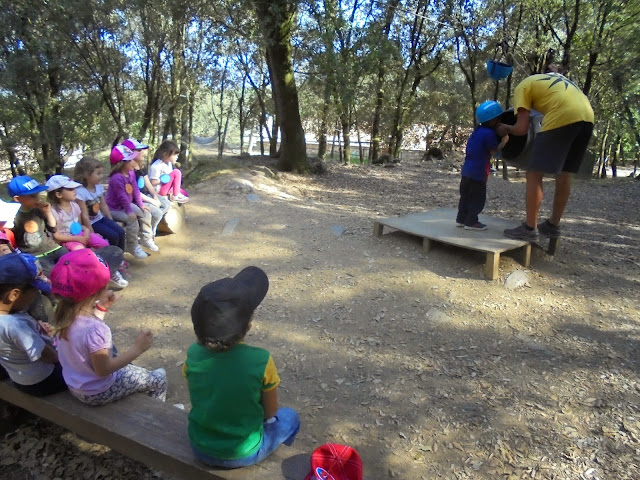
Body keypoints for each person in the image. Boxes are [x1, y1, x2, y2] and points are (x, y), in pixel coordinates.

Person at [184, 266, 300, 468]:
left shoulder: (193, 355)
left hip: (200, 446)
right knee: (290, 417)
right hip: (243, 453)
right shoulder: (261, 360)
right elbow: (270, 412)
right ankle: (272, 457)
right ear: (248, 325)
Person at [50, 249, 167, 406]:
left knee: (129, 367)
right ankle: (159, 412)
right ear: (100, 290)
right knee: (159, 379)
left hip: (77, 384)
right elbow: (103, 370)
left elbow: (84, 335)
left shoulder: (62, 315)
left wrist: (101, 308)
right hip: (97, 391)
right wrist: (138, 349)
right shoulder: (97, 330)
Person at [498, 65, 594, 241]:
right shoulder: (559, 81)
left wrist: (505, 128)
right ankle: (553, 225)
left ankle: (529, 228)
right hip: (588, 117)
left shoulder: (523, 86)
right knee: (564, 174)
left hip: (563, 114)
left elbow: (521, 128)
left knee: (534, 173)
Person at [0, 253, 67, 396]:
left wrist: (37, 330)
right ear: (14, 295)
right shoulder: (14, 325)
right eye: (35, 291)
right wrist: (67, 359)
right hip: (43, 380)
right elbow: (48, 356)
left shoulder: (9, 316)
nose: (37, 295)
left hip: (20, 378)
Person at [45, 174, 128, 289]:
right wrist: (78, 239)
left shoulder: (75, 206)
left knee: (104, 244)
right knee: (83, 253)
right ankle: (93, 278)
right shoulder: (54, 212)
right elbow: (57, 235)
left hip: (81, 234)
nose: (74, 191)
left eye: (74, 188)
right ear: (58, 194)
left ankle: (110, 270)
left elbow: (80, 225)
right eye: (70, 189)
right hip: (68, 239)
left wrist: (88, 232)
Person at [456, 101, 509, 231]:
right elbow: (494, 153)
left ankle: (461, 219)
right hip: (478, 172)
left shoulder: (477, 131)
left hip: (466, 171)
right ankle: (471, 222)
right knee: (477, 198)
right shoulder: (489, 134)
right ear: (494, 120)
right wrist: (504, 142)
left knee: (465, 196)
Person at [8, 175, 68, 275]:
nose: (37, 199)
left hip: (52, 248)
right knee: (53, 274)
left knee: (73, 261)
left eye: (37, 195)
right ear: (17, 199)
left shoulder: (38, 210)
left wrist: (48, 212)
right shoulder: (12, 216)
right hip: (35, 255)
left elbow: (53, 228)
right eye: (32, 196)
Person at [105, 145, 152, 259]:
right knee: (132, 219)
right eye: (130, 160)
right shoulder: (117, 178)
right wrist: (130, 211)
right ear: (122, 163)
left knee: (145, 212)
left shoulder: (131, 173)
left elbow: (135, 190)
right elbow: (122, 197)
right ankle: (132, 246)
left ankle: (147, 238)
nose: (133, 161)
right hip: (114, 208)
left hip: (126, 205)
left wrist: (141, 204)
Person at [74, 156, 127, 253]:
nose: (101, 176)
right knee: (113, 236)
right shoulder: (80, 192)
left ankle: (120, 256)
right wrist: (92, 233)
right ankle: (110, 258)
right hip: (92, 223)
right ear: (86, 175)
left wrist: (111, 221)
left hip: (100, 218)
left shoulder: (98, 187)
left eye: (101, 173)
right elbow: (84, 215)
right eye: (98, 174)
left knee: (120, 231)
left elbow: (103, 205)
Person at [125, 137, 169, 243]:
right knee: (157, 213)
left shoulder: (141, 166)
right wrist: (152, 201)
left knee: (166, 204)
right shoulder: (128, 171)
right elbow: (135, 192)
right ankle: (147, 233)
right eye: (139, 150)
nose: (143, 152)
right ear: (131, 153)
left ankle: (151, 229)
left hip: (145, 196)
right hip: (136, 200)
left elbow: (147, 183)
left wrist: (155, 196)